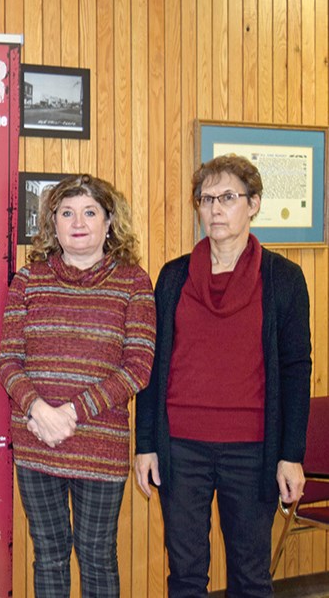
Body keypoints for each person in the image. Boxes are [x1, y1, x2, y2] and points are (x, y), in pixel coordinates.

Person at [135, 154, 312, 597]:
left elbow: (295, 371)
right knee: (186, 576)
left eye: (227, 197)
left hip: (253, 452)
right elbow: (153, 366)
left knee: (251, 578)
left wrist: (291, 454)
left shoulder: (284, 279)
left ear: (253, 204)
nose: (214, 208)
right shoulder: (173, 277)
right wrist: (146, 444)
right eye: (206, 198)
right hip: (181, 451)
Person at [0, 174, 156, 598]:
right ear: (53, 223)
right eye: (67, 213)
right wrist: (39, 410)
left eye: (90, 212)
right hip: (37, 443)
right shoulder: (29, 280)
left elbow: (138, 367)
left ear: (109, 222)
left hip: (99, 447)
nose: (78, 222)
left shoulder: (133, 282)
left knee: (97, 555)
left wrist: (69, 412)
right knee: (48, 554)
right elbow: (8, 361)